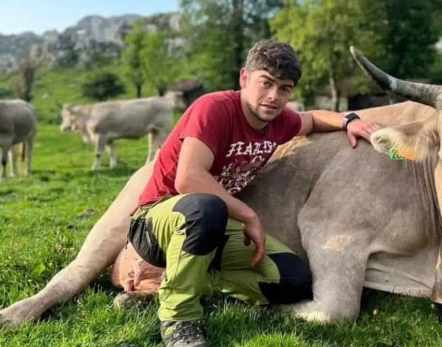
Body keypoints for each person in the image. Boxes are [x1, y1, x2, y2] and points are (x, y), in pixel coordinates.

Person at [124, 39, 381, 347]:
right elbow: (188, 179)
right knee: (206, 208)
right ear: (245, 78)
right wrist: (247, 214)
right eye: (266, 83)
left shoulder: (278, 121)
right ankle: (179, 320)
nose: (274, 97)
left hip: (212, 226)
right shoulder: (214, 108)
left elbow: (311, 118)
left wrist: (349, 121)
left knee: (294, 280)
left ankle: (170, 282)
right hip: (159, 221)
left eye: (284, 88)